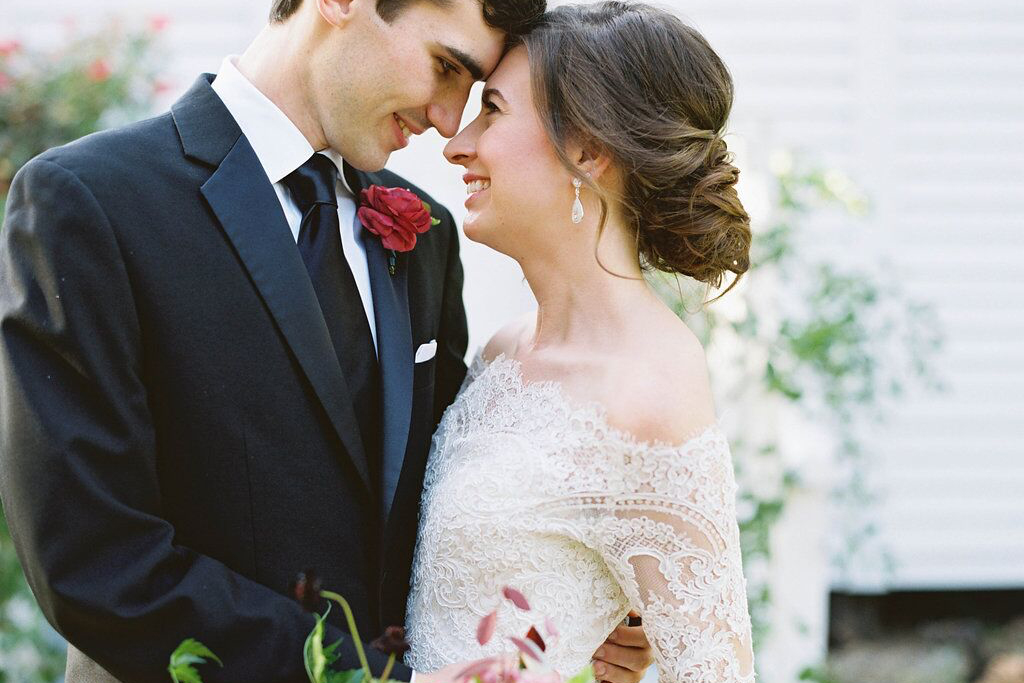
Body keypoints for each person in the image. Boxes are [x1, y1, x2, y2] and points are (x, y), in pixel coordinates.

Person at [0, 0, 654, 681]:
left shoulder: (425, 235)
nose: (447, 120)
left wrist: (577, 602)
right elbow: (100, 563)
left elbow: (444, 502)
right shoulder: (91, 203)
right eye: (444, 67)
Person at [405, 3, 756, 682]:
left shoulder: (650, 394)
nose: (457, 142)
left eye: (495, 112)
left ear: (589, 150)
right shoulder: (504, 352)